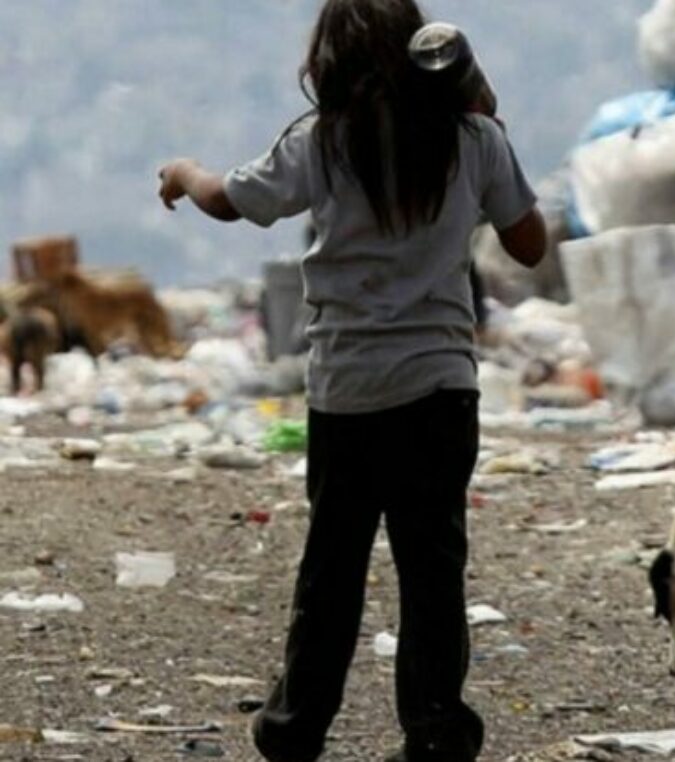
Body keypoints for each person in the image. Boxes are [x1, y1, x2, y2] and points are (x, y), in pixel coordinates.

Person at [156, 1, 547, 759]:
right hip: (440, 390)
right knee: (432, 570)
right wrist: (487, 112)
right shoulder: (473, 140)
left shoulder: (323, 139)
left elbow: (230, 202)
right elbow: (529, 244)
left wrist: (184, 172)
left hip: (348, 391)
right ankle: (435, 731)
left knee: (332, 568)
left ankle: (296, 727)